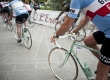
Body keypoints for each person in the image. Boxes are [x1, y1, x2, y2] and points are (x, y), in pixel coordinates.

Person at [51, 0, 110, 80]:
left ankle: (106, 66)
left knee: (102, 70)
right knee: (88, 41)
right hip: (107, 30)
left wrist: (56, 35)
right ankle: (106, 62)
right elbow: (86, 17)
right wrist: (76, 30)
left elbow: (67, 24)